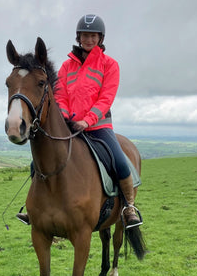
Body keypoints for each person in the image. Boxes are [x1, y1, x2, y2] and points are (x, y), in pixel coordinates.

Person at [17, 14, 142, 229]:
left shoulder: (110, 65)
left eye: (93, 36)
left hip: (98, 126)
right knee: (37, 163)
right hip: (69, 126)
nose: (89, 40)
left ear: (100, 38)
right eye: (85, 35)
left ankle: (129, 207)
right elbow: (60, 94)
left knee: (120, 163)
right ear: (78, 37)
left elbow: (106, 97)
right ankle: (35, 209)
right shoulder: (67, 67)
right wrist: (66, 117)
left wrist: (87, 120)